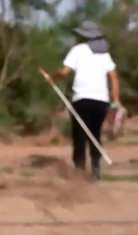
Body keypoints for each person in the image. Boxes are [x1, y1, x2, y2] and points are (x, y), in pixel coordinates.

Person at [45, 21, 121, 181]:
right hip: (101, 101)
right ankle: (95, 167)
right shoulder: (104, 53)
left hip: (82, 99)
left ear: (83, 36)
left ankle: (79, 169)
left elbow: (65, 71)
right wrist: (115, 100)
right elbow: (113, 77)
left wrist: (52, 76)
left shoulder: (78, 50)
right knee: (95, 133)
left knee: (79, 134)